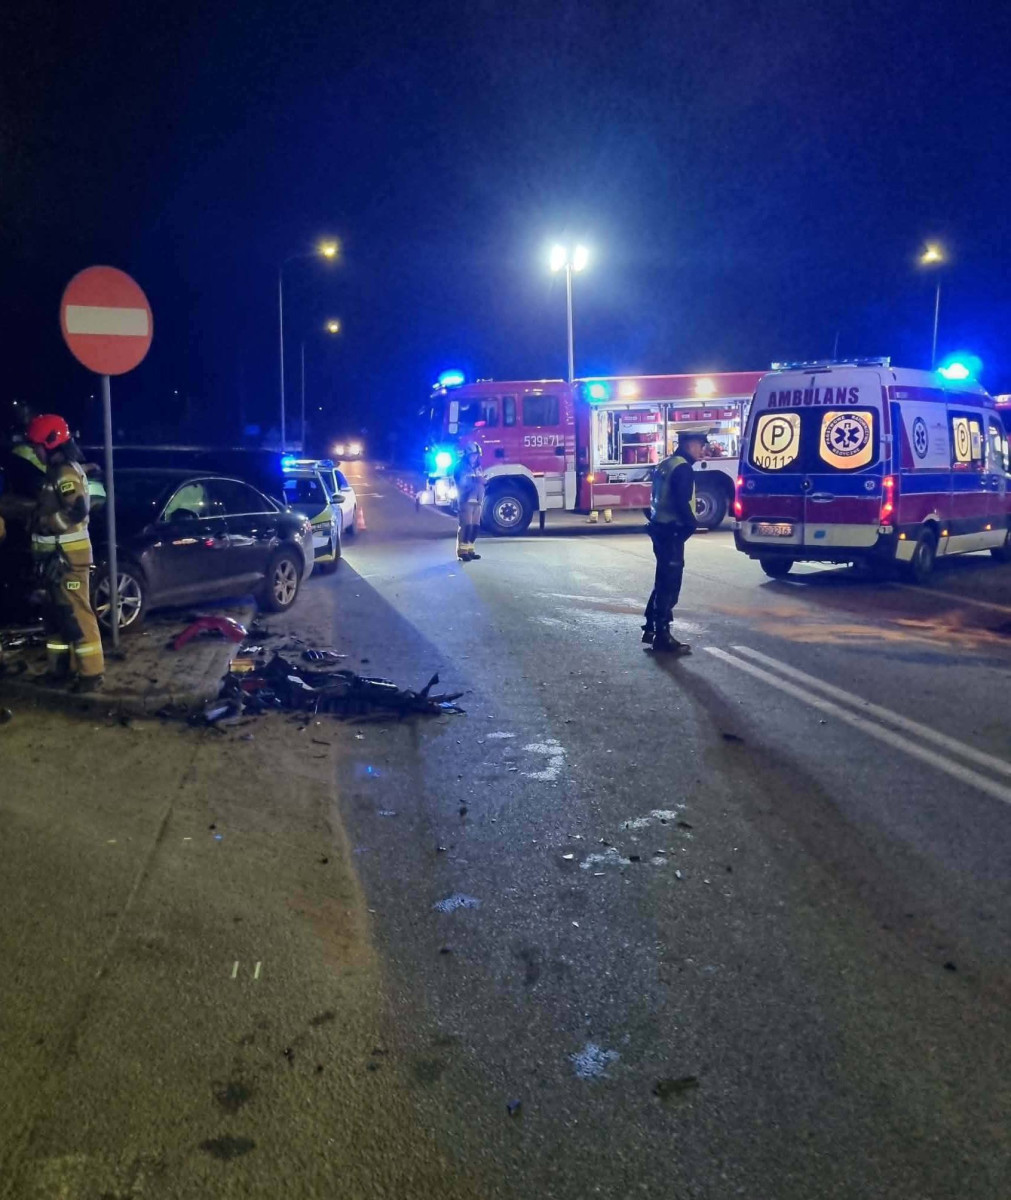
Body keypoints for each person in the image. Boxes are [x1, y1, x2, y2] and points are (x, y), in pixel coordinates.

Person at [26, 413, 105, 691]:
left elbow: (77, 509)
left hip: (68, 560)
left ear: (50, 443)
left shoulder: (64, 473)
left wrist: (46, 524)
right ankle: (59, 671)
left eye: (36, 446)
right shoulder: (55, 472)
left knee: (76, 614)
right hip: (54, 560)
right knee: (55, 617)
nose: (35, 452)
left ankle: (91, 674)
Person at [642, 431, 708, 653]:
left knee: (662, 579)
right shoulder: (682, 468)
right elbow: (682, 502)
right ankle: (662, 636)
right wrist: (691, 525)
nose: (702, 450)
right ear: (688, 445)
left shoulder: (666, 464)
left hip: (659, 527)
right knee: (670, 584)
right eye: (699, 445)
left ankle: (651, 627)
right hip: (671, 531)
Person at [453, 442, 485, 562]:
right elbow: (461, 482)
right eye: (473, 455)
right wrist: (476, 479)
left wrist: (484, 482)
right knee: (466, 526)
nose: (475, 457)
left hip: (477, 500)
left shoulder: (477, 467)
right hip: (466, 500)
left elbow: (481, 480)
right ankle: (462, 552)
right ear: (467, 455)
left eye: (476, 455)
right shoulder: (460, 467)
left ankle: (470, 550)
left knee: (475, 527)